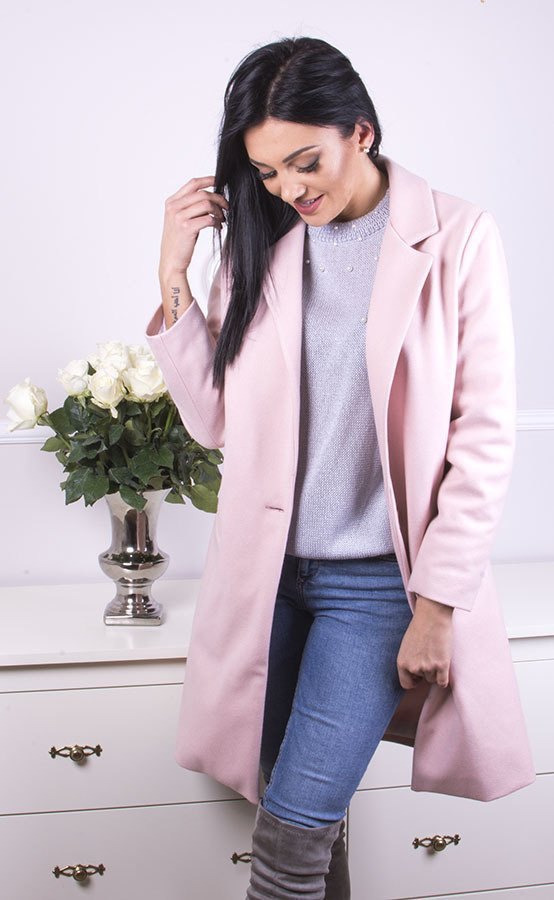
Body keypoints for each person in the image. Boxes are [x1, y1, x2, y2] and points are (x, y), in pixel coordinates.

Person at [146, 35, 534, 900]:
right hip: (266, 579)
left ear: (361, 130)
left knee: (289, 844)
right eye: (267, 172)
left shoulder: (458, 236)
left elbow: (480, 437)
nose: (290, 189)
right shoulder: (262, 243)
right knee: (311, 823)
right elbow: (213, 422)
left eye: (305, 162)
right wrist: (174, 271)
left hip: (376, 590)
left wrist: (438, 604)